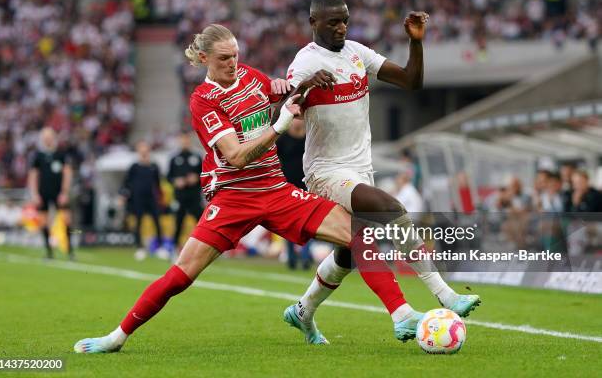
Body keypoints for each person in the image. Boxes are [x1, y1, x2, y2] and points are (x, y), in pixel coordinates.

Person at [73, 24, 426, 354]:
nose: (232, 63)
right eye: (224, 58)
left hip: (275, 189)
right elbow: (237, 156)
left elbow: (280, 94)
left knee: (358, 234)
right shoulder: (204, 100)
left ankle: (401, 315)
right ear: (203, 59)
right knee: (180, 276)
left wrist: (296, 90)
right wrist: (281, 122)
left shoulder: (250, 77)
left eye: (235, 55)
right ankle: (116, 338)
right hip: (233, 197)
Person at [282, 0, 480, 342]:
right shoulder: (306, 61)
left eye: (345, 19)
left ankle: (303, 311)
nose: (342, 27)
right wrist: (304, 88)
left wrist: (415, 43)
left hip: (360, 168)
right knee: (391, 208)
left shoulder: (358, 53)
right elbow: (283, 109)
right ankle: (443, 295)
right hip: (325, 171)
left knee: (349, 253)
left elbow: (411, 80)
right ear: (313, 23)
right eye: (333, 21)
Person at [28, 127, 75, 260]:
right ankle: (49, 252)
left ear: (54, 138)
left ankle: (70, 250)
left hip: (59, 193)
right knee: (43, 222)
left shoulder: (61, 154)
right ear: (42, 139)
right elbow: (33, 175)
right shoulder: (38, 156)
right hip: (43, 193)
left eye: (50, 136)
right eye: (45, 136)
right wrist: (35, 193)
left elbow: (67, 173)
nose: (47, 139)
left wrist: (65, 192)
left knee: (67, 220)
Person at [276, 118, 312, 270]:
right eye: (295, 120)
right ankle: (291, 256)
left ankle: (305, 256)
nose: (298, 123)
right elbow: (276, 160)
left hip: (307, 185)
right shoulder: (283, 140)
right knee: (289, 223)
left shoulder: (309, 138)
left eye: (300, 119)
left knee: (308, 223)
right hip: (288, 186)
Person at [121, 140, 163, 260]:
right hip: (138, 199)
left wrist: (160, 197)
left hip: (151, 198)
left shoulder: (154, 166)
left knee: (157, 221)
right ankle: (140, 248)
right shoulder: (134, 167)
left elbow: (158, 184)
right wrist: (123, 195)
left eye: (145, 148)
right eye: (141, 148)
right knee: (139, 223)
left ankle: (159, 247)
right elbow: (126, 183)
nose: (144, 150)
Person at [167, 132, 203, 257]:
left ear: (190, 141)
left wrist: (197, 178)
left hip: (194, 196)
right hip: (180, 197)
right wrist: (176, 181)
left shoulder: (197, 157)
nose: (184, 142)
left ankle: (204, 249)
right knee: (178, 223)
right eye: (182, 140)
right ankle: (174, 249)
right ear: (179, 141)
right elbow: (169, 177)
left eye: (186, 139)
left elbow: (205, 175)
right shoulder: (174, 158)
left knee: (201, 224)